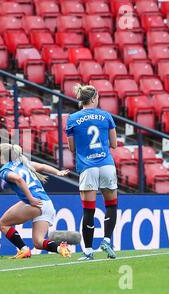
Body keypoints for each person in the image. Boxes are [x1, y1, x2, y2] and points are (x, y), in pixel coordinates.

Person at [65, 84, 118, 260]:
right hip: (106, 165)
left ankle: (88, 251)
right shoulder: (106, 116)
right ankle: (107, 240)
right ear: (94, 98)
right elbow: (114, 144)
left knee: (89, 211)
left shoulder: (72, 119)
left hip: (87, 167)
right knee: (111, 205)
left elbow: (71, 148)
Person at [0, 143, 72, 259]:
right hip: (47, 203)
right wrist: (57, 172)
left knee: (2, 224)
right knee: (38, 242)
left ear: (2, 156)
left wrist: (30, 199)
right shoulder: (23, 163)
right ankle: (60, 248)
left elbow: (19, 179)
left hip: (35, 203)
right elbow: (42, 167)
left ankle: (24, 249)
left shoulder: (4, 170)